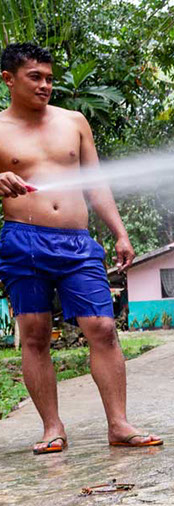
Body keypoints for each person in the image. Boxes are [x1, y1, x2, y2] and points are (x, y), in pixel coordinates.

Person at [0, 43, 163, 454]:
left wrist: (120, 233)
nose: (45, 85)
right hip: (22, 240)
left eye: (49, 78)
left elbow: (96, 183)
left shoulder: (74, 122)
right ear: (8, 80)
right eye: (35, 77)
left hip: (77, 243)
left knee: (103, 329)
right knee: (35, 335)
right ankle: (52, 427)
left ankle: (119, 424)